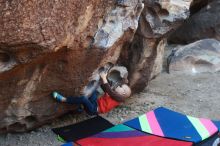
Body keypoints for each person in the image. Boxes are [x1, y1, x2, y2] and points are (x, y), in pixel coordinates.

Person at [52, 72, 131, 115]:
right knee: (93, 91)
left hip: (93, 110)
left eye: (121, 87)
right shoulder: (115, 95)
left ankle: (64, 99)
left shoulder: (119, 98)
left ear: (123, 93)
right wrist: (102, 80)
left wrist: (104, 78)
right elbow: (106, 89)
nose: (119, 86)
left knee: (84, 99)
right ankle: (79, 106)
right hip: (95, 103)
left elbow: (109, 91)